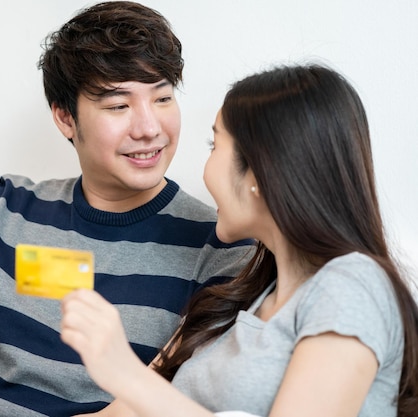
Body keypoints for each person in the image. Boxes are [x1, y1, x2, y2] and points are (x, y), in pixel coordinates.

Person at [0, 2, 253, 416]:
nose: (149, 128)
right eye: (118, 106)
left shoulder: (223, 246)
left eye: (162, 97)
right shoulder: (0, 211)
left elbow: (169, 401)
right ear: (65, 118)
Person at [60, 63, 418, 417]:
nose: (205, 169)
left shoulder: (353, 285)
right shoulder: (238, 296)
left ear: (261, 172)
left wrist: (129, 376)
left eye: (214, 145)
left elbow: (142, 393)